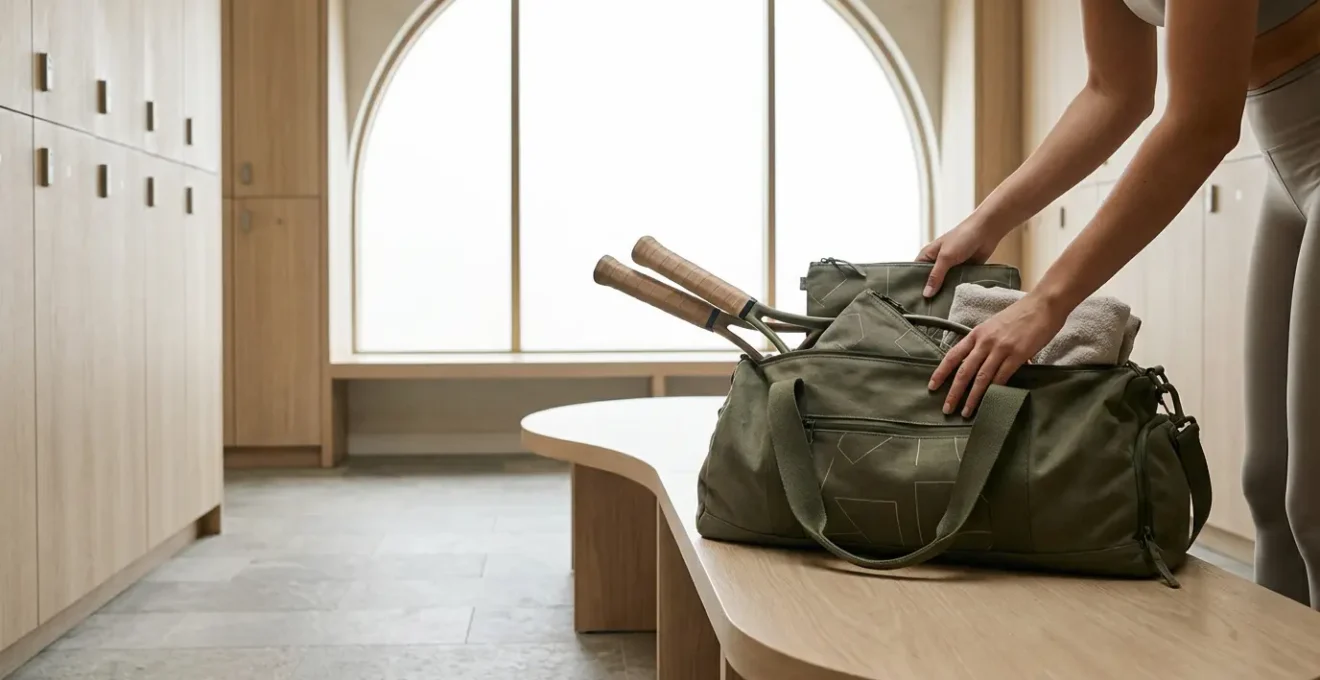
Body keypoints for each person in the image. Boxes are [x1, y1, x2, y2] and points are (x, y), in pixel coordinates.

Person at [917, 0, 1320, 608]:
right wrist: (986, 219)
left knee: (1314, 503)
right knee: (1267, 484)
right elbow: (1114, 92)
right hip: (1283, 157)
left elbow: (1203, 122)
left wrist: (1049, 302)